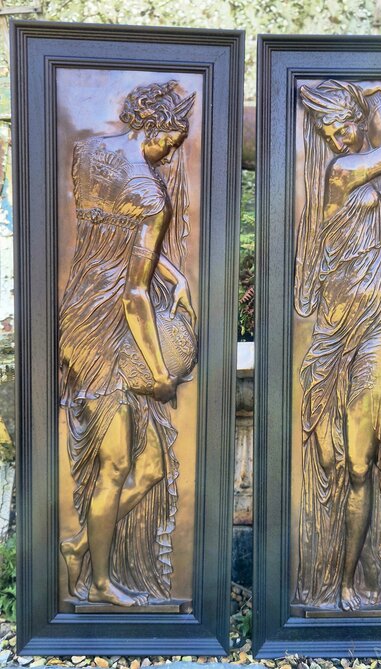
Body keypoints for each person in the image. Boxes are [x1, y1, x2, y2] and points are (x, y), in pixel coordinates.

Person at [294, 80, 381, 610]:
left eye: (343, 127)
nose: (336, 139)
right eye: (327, 132)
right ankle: (314, 577)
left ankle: (348, 582)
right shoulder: (340, 172)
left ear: (359, 117)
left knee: (360, 462)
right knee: (327, 457)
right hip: (336, 327)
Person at [59, 81, 197, 607]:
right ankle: (98, 581)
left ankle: (78, 544)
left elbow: (111, 239)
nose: (172, 153)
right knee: (116, 466)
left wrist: (174, 274)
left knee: (152, 466)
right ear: (152, 128)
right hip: (107, 333)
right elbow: (135, 294)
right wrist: (161, 374)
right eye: (170, 142)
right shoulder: (152, 195)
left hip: (79, 309)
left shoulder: (88, 153)